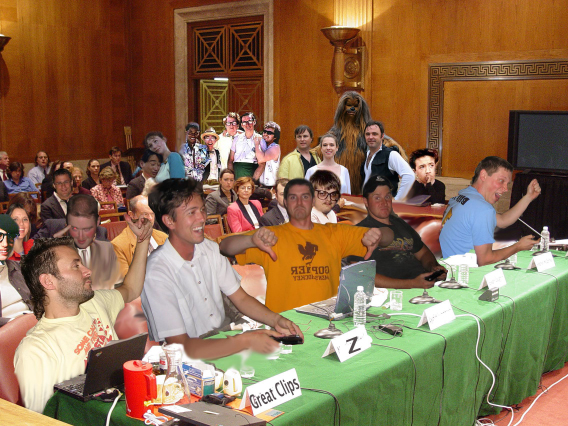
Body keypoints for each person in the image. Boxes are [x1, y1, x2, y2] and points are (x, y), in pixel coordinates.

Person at [141, 178, 302, 359]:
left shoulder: (209, 248)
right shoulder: (156, 272)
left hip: (225, 340)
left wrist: (276, 320)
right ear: (169, 221)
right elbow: (180, 346)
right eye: (191, 212)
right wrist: (245, 341)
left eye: (202, 209)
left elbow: (240, 298)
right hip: (190, 359)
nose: (202, 218)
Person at [14, 214, 153, 413]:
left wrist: (142, 241)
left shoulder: (95, 302)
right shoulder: (35, 350)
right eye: (75, 266)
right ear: (48, 282)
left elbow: (131, 289)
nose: (87, 270)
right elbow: (41, 420)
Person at [219, 178, 389, 313]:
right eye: (293, 197)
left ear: (313, 200)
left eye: (305, 197)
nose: (299, 202)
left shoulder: (334, 233)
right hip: (284, 324)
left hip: (325, 322)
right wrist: (250, 240)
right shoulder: (270, 236)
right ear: (285, 201)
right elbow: (225, 247)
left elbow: (389, 236)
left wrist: (378, 235)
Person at [440, 156, 541, 265]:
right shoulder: (482, 210)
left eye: (507, 184)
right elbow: (485, 260)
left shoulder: (462, 197)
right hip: (466, 274)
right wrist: (518, 246)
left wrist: (528, 197)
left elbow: (503, 220)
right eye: (501, 181)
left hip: (449, 269)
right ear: (483, 175)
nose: (506, 189)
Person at [355, 175, 446, 288]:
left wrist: (432, 267)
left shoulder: (400, 224)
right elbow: (361, 274)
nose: (384, 202)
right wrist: (412, 284)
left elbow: (423, 253)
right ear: (366, 202)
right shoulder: (360, 232)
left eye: (387, 197)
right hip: (395, 294)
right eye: (377, 198)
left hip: (424, 285)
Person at [54, 195, 122, 289]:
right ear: (66, 224)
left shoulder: (109, 249)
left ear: (97, 222)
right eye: (75, 228)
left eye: (87, 229)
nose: (81, 236)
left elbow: (119, 287)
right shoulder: (57, 254)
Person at [111, 195, 167, 278]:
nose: (150, 219)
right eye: (145, 214)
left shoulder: (163, 237)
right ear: (131, 215)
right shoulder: (117, 246)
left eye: (152, 214)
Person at [360, 120, 414, 200]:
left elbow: (409, 176)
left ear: (382, 136)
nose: (371, 137)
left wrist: (397, 200)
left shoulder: (391, 155)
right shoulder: (367, 154)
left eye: (375, 134)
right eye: (368, 134)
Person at [0, 215, 32, 327]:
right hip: (7, 333)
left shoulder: (18, 267)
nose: (4, 244)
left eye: (9, 238)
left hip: (33, 324)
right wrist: (15, 323)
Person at [228, 112, 262, 179]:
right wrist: (231, 178)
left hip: (251, 173)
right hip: (237, 174)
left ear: (254, 122)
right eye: (244, 122)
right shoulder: (236, 139)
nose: (247, 125)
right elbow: (230, 160)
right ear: (241, 125)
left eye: (249, 121)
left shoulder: (260, 140)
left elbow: (262, 164)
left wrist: (254, 180)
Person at [254, 121, 281, 187]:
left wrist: (256, 144)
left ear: (275, 137)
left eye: (269, 133)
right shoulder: (264, 145)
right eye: (264, 131)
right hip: (261, 185)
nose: (265, 134)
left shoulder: (275, 147)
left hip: (271, 187)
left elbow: (261, 159)